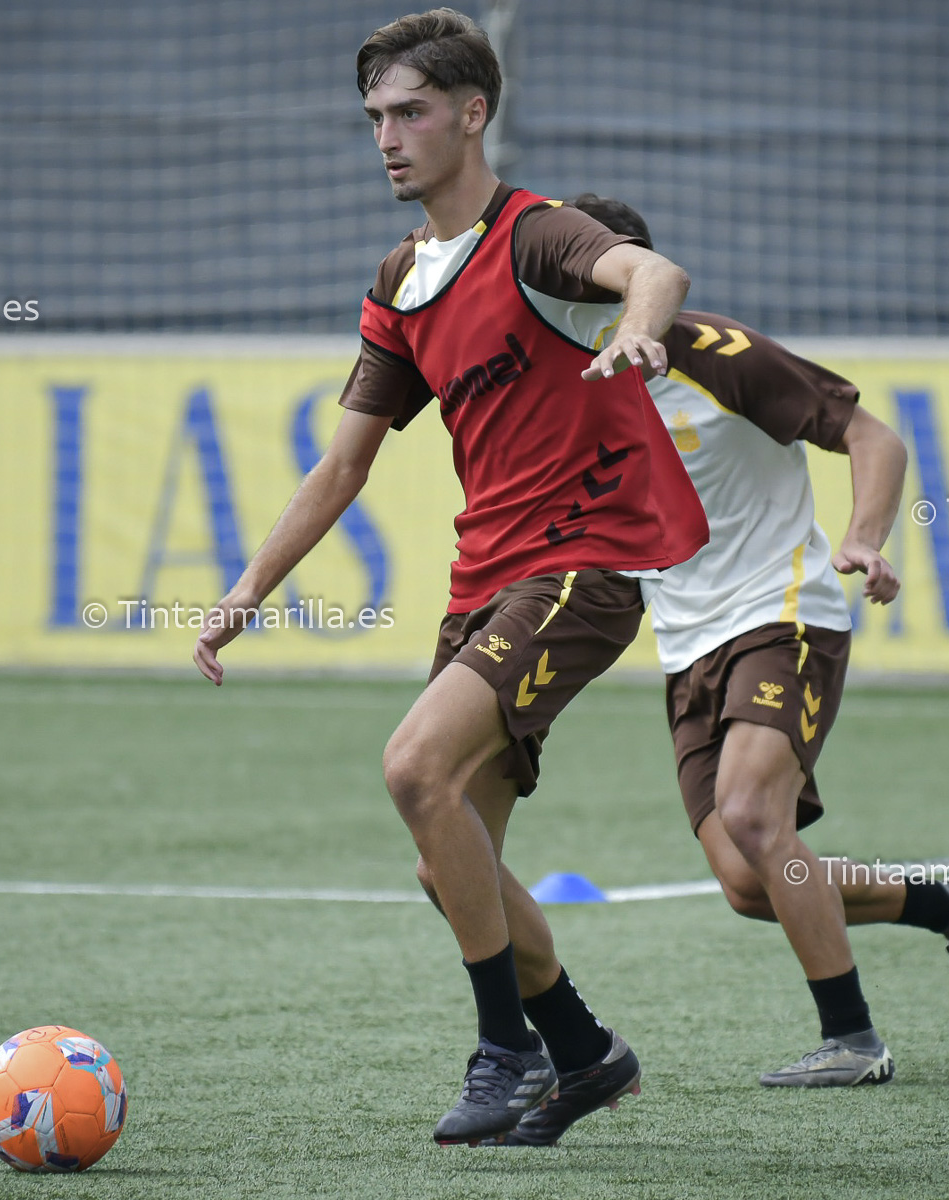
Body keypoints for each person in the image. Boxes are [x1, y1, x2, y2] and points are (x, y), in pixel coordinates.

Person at [191, 13, 709, 1147]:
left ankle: (504, 1052)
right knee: (448, 862)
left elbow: (653, 271)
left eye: (411, 112)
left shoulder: (537, 235)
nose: (387, 136)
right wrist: (246, 592)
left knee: (412, 766)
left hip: (578, 566)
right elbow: (343, 465)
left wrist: (638, 328)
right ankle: (584, 1050)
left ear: (474, 114)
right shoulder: (400, 279)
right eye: (375, 116)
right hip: (485, 584)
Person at [535, 193, 949, 1104]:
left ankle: (853, 1039)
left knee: (756, 817)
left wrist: (863, 538)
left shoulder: (719, 354)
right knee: (749, 882)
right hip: (686, 645)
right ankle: (947, 904)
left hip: (781, 612)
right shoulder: (558, 385)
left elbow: (873, 438)